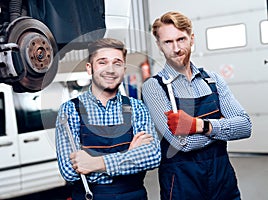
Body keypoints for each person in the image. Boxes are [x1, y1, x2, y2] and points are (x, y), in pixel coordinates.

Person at [142, 11, 252, 200]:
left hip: (222, 179)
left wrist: (200, 126)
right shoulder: (154, 87)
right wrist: (222, 127)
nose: (176, 48)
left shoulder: (213, 80)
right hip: (182, 184)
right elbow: (182, 144)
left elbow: (245, 126)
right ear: (159, 45)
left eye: (181, 39)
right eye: (168, 42)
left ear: (191, 39)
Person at [55, 38, 161, 200]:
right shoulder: (70, 111)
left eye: (117, 63)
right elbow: (70, 172)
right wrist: (130, 154)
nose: (110, 70)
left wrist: (94, 163)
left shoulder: (137, 108)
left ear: (124, 69)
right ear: (89, 68)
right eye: (102, 62)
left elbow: (152, 156)